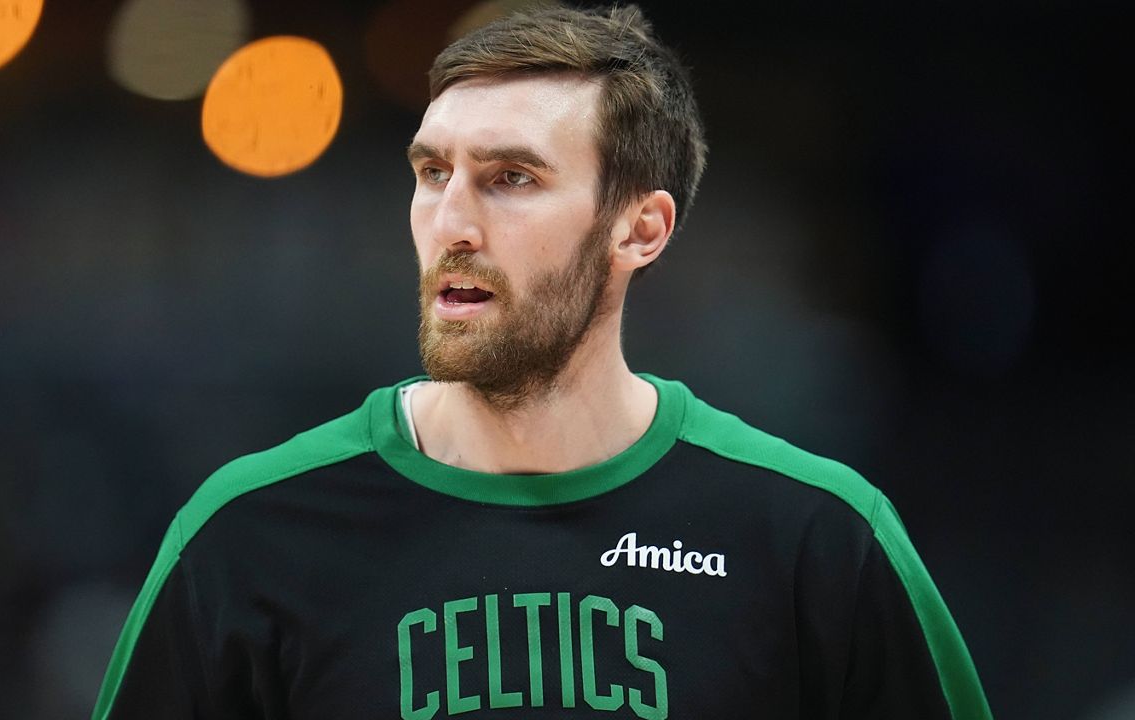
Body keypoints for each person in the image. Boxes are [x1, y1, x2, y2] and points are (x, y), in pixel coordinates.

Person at [92, 5, 991, 719]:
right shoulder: (247, 535)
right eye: (433, 173)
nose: (452, 222)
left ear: (639, 229)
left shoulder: (815, 540)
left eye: (511, 179)